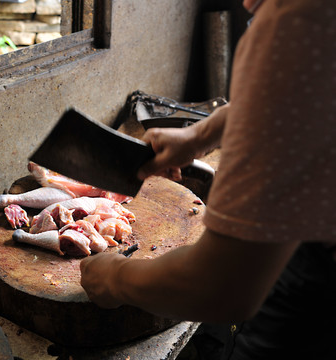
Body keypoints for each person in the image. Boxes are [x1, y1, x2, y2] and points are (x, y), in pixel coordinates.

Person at [80, 0, 336, 358]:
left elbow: (222, 286)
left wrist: (114, 278)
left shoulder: (296, 22)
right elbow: (295, 100)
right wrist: (199, 136)